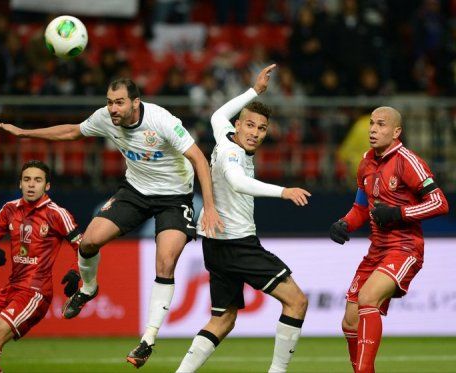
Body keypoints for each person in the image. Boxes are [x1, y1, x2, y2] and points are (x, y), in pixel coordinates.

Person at [0, 78, 223, 368]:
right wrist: (25, 133)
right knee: (88, 241)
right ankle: (88, 288)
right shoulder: (106, 118)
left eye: (119, 102)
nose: (112, 108)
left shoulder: (162, 120)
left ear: (135, 103)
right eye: (109, 102)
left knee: (165, 260)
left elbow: (199, 159)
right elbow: (73, 131)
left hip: (174, 197)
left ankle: (148, 339)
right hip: (135, 191)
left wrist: (210, 208)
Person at [176, 64, 311, 373]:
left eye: (261, 129)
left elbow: (216, 116)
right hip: (238, 244)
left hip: (216, 244)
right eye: (249, 125)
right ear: (239, 125)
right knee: (297, 302)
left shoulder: (225, 136)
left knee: (223, 319)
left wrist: (255, 91)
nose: (254, 133)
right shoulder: (232, 154)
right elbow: (238, 182)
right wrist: (284, 191)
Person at [329, 106, 449, 373]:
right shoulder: (365, 163)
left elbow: (440, 203)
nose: (373, 129)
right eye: (371, 123)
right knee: (349, 322)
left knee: (368, 298)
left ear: (396, 132)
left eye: (381, 125)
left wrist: (399, 213)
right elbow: (361, 208)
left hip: (405, 248)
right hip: (377, 250)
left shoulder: (408, 161)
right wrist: (345, 223)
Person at [0, 160, 82, 373]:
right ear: (20, 183)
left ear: (47, 186)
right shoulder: (9, 209)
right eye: (27, 179)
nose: (31, 185)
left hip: (35, 292)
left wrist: (76, 272)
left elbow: (83, 247)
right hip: (12, 288)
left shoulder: (57, 214)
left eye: (37, 180)